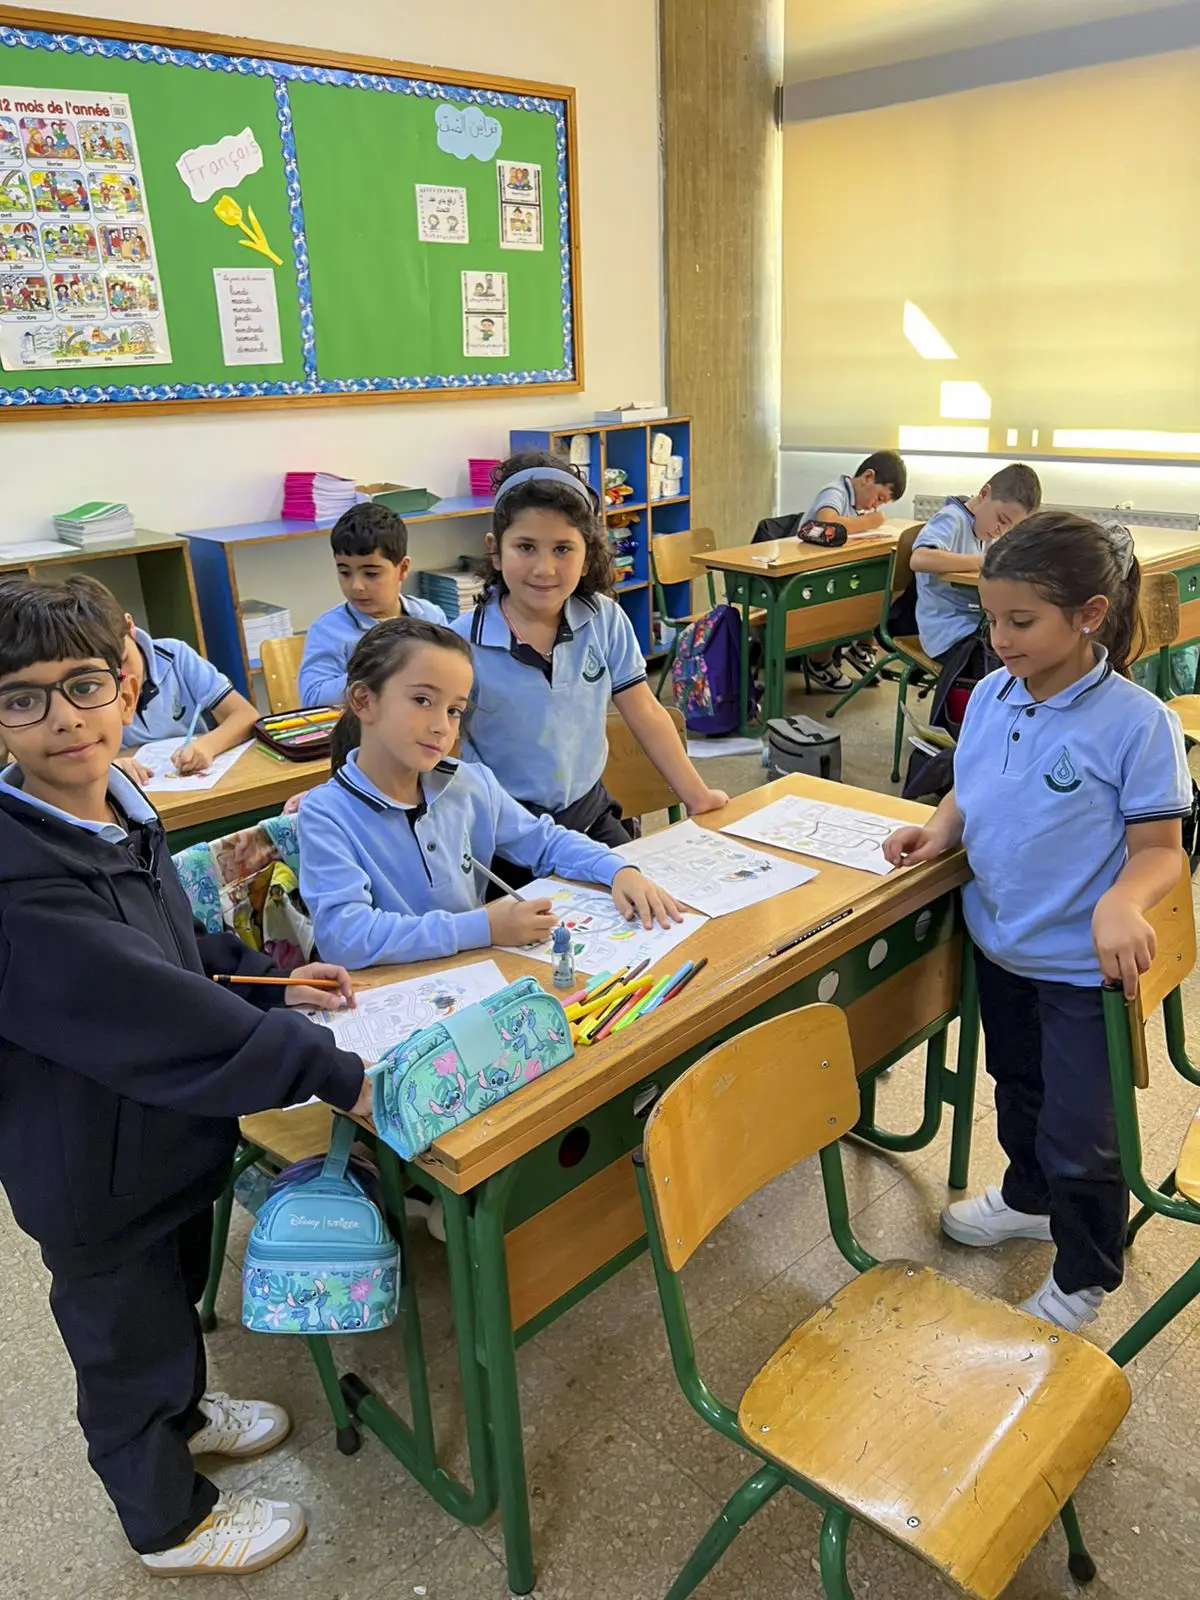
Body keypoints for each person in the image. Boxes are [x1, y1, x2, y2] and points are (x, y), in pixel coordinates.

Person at [0, 574, 373, 1575]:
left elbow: (171, 945)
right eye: (22, 698)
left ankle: (188, 1411)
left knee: (169, 1301)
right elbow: (149, 1004)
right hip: (90, 1171)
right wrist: (330, 1071)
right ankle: (166, 1522)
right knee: (122, 1344)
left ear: (128, 684)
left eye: (85, 686)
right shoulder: (20, 881)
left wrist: (265, 980)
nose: (63, 719)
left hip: (160, 1138)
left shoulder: (116, 809)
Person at [884, 513, 1190, 1332]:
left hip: (1080, 969)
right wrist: (940, 828)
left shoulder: (1138, 723)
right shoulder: (991, 692)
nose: (1000, 638)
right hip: (1002, 946)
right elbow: (971, 784)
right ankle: (1027, 1199)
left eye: (1020, 621)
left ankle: (1086, 1272)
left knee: (1082, 1129)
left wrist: (1122, 901)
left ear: (1089, 615)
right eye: (991, 618)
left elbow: (1161, 852)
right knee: (1016, 1089)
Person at [298, 616, 681, 967]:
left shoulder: (469, 783)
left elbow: (545, 843)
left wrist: (617, 869)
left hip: (475, 977)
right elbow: (345, 938)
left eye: (454, 710)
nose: (441, 727)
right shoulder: (325, 813)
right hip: (389, 996)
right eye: (422, 700)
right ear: (363, 700)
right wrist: (483, 927)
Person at [450, 452, 727, 862]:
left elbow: (646, 713)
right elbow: (441, 752)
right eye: (525, 547)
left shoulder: (604, 619)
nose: (544, 568)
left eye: (563, 548)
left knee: (640, 892)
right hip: (504, 834)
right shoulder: (459, 644)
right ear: (495, 550)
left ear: (587, 556)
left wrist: (697, 796)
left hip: (588, 816)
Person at [299, 502, 447, 707]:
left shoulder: (430, 617)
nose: (356, 586)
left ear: (403, 568)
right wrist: (378, 669)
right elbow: (313, 699)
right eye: (345, 573)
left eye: (371, 574)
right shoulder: (328, 630)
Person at [910, 463, 1042, 668]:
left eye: (1010, 527)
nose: (1001, 531)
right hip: (947, 633)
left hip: (976, 626)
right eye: (1002, 519)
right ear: (984, 493)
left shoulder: (986, 531)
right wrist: (982, 561)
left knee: (1033, 648)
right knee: (1008, 663)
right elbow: (919, 559)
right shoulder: (951, 519)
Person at [802, 449, 908, 690]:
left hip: (834, 572)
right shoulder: (835, 491)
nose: (874, 506)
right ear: (867, 477)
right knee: (843, 597)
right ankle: (818, 662)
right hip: (811, 578)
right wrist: (869, 522)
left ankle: (862, 647)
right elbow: (827, 522)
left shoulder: (857, 505)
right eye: (879, 498)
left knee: (882, 583)